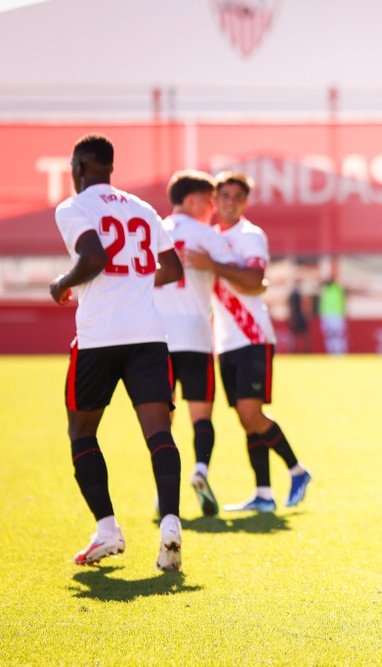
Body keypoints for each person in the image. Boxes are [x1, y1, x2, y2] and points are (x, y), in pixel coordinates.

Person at [50, 134, 185, 570]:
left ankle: (107, 529)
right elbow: (172, 268)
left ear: (83, 165)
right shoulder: (142, 208)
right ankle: (169, 522)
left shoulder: (74, 207)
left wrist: (61, 283)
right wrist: (134, 285)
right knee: (158, 432)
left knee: (82, 432)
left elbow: (93, 256)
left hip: (99, 336)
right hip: (147, 334)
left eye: (73, 166)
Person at [185, 171, 312, 512]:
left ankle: (297, 470)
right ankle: (264, 495)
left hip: (253, 335)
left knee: (251, 412)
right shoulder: (209, 237)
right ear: (215, 201)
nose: (229, 202)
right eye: (223, 196)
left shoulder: (250, 235)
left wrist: (213, 264)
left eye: (236, 197)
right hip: (225, 340)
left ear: (245, 202)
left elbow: (255, 281)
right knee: (245, 418)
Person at [153, 170, 261, 517]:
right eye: (209, 200)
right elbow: (244, 277)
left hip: (159, 339)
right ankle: (200, 470)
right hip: (198, 337)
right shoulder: (207, 236)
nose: (213, 208)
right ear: (192, 200)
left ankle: (162, 491)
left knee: (160, 418)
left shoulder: (155, 231)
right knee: (201, 416)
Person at [318, 274, 348, 354]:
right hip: (327, 315)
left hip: (336, 314)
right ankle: (331, 352)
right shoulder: (325, 290)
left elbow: (344, 287)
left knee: (337, 334)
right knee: (329, 335)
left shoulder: (337, 288)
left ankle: (340, 352)